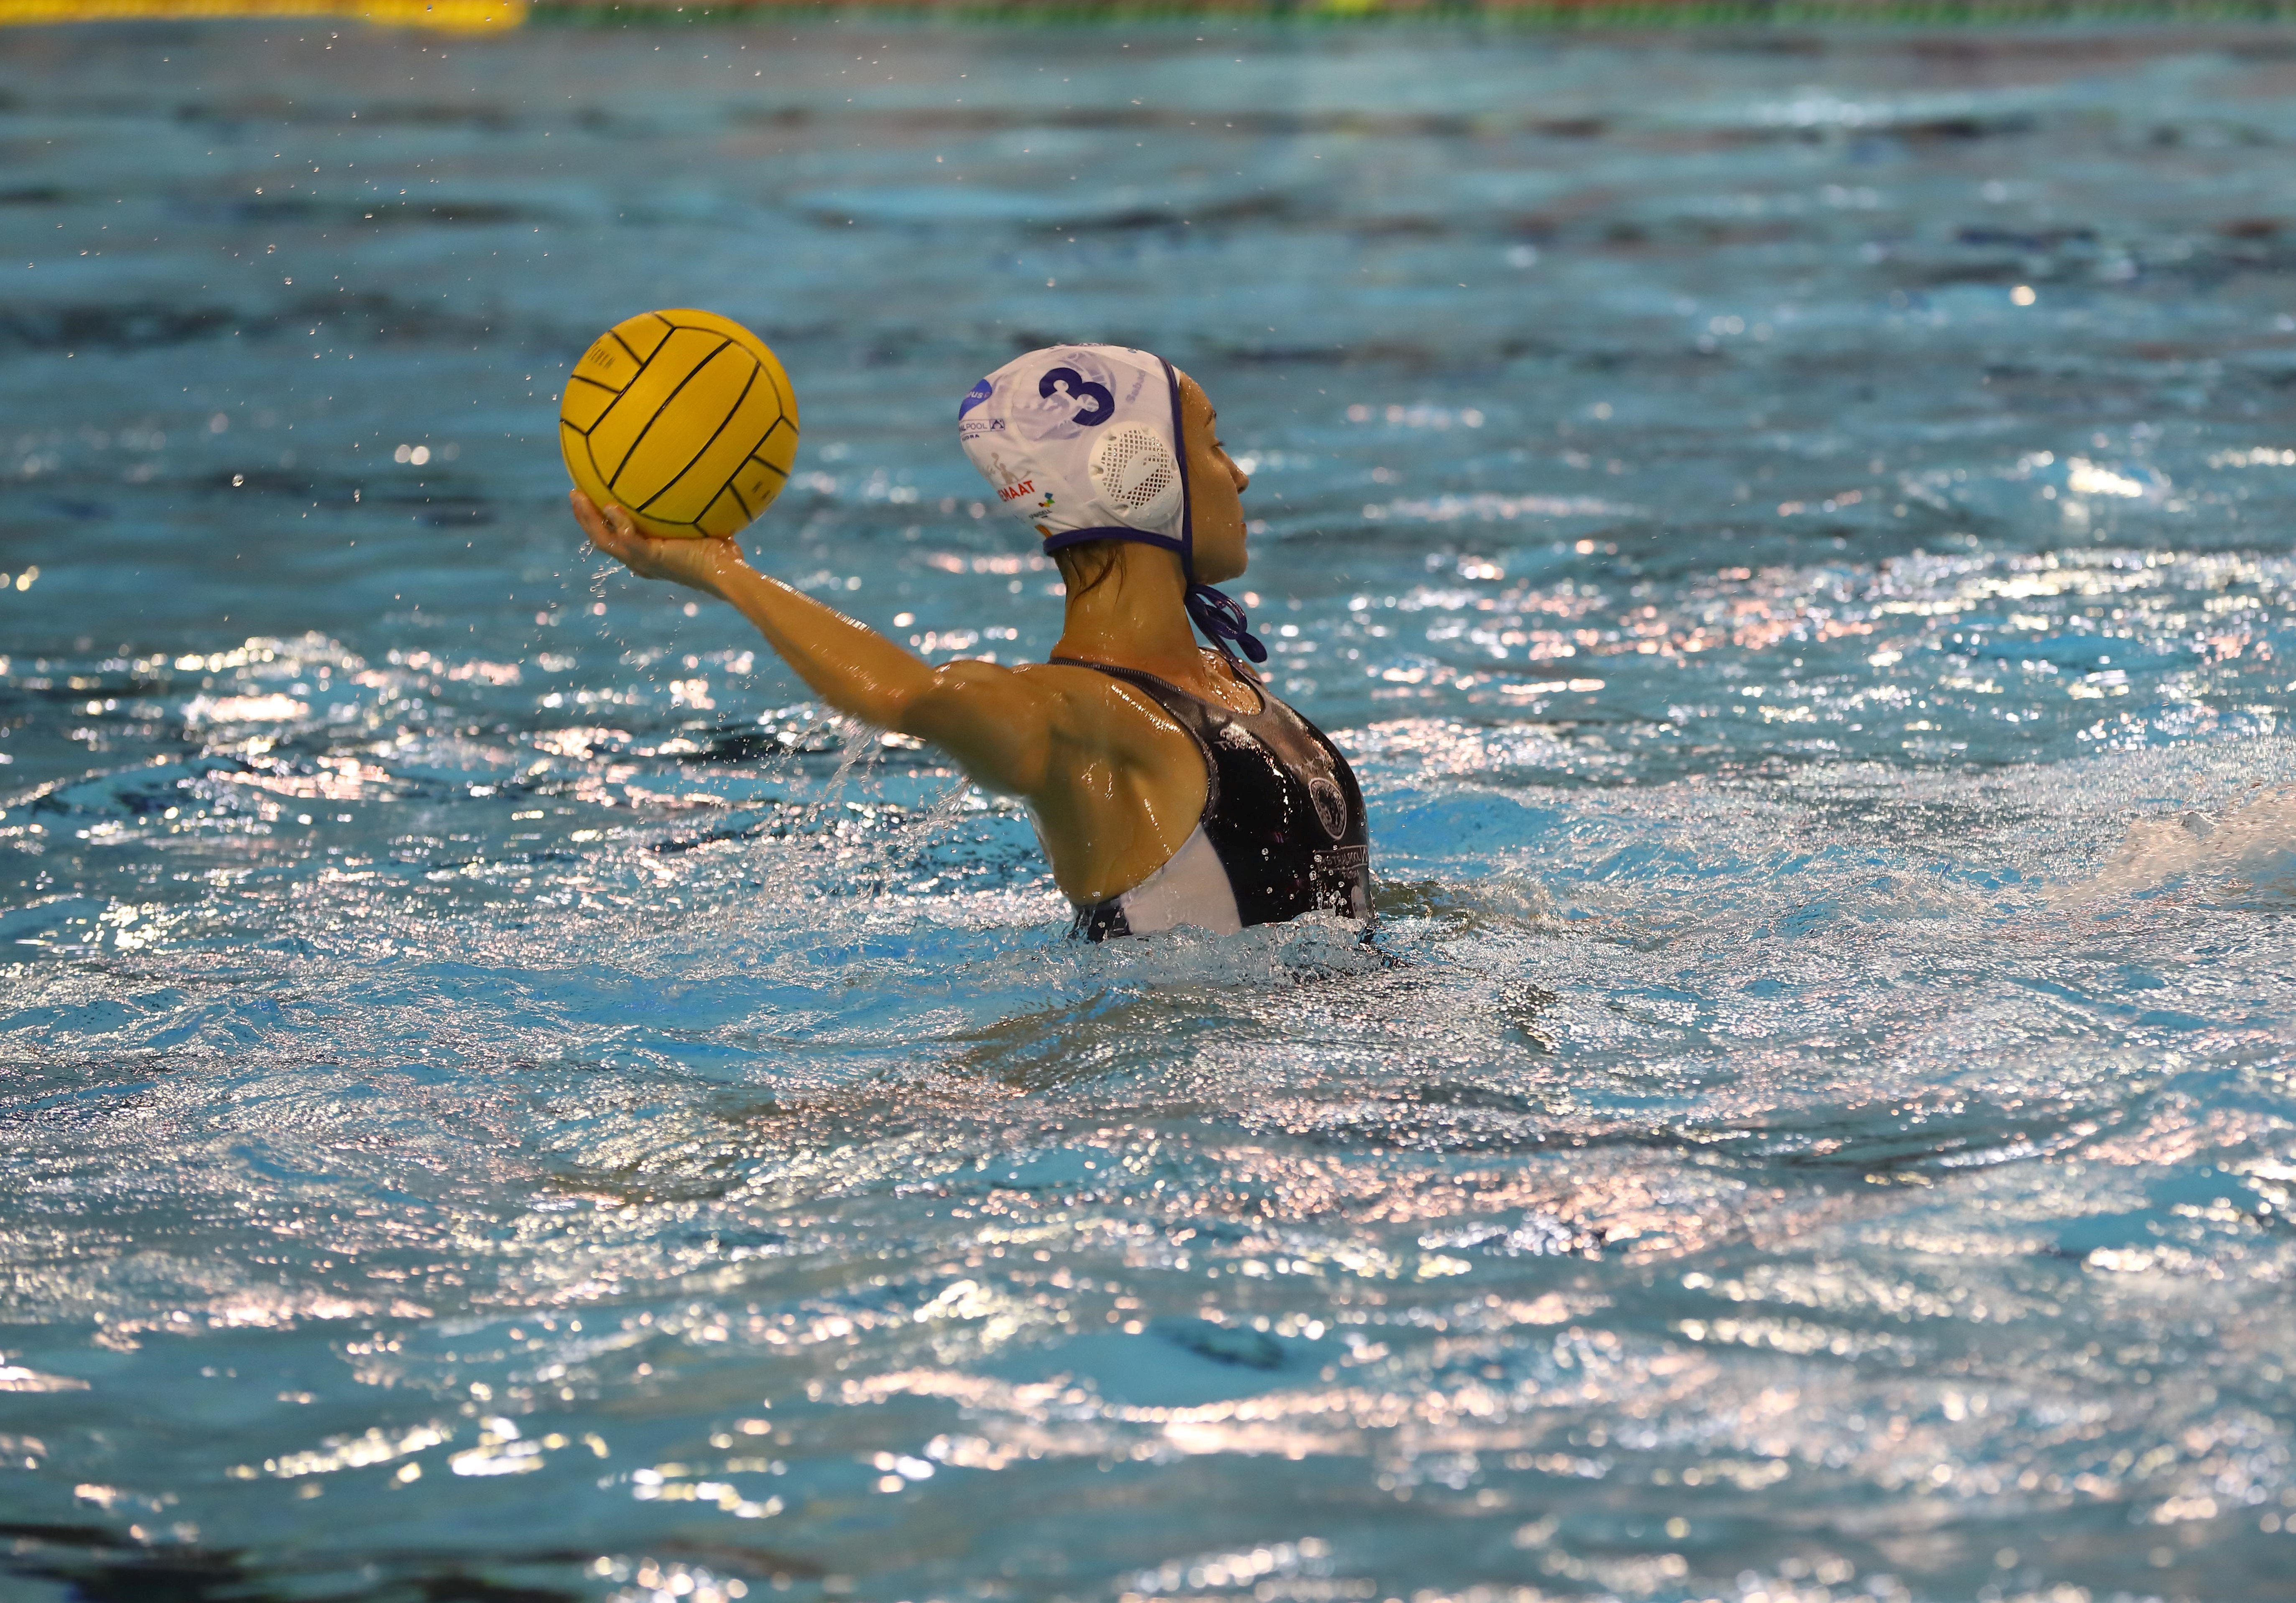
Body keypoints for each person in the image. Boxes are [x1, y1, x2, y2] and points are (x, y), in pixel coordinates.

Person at [573, 343, 1372, 940]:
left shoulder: (1224, 682)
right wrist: (721, 570)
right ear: (1141, 470)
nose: (1238, 476)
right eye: (1212, 443)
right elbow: (910, 696)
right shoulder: (1087, 723)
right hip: (1186, 1107)